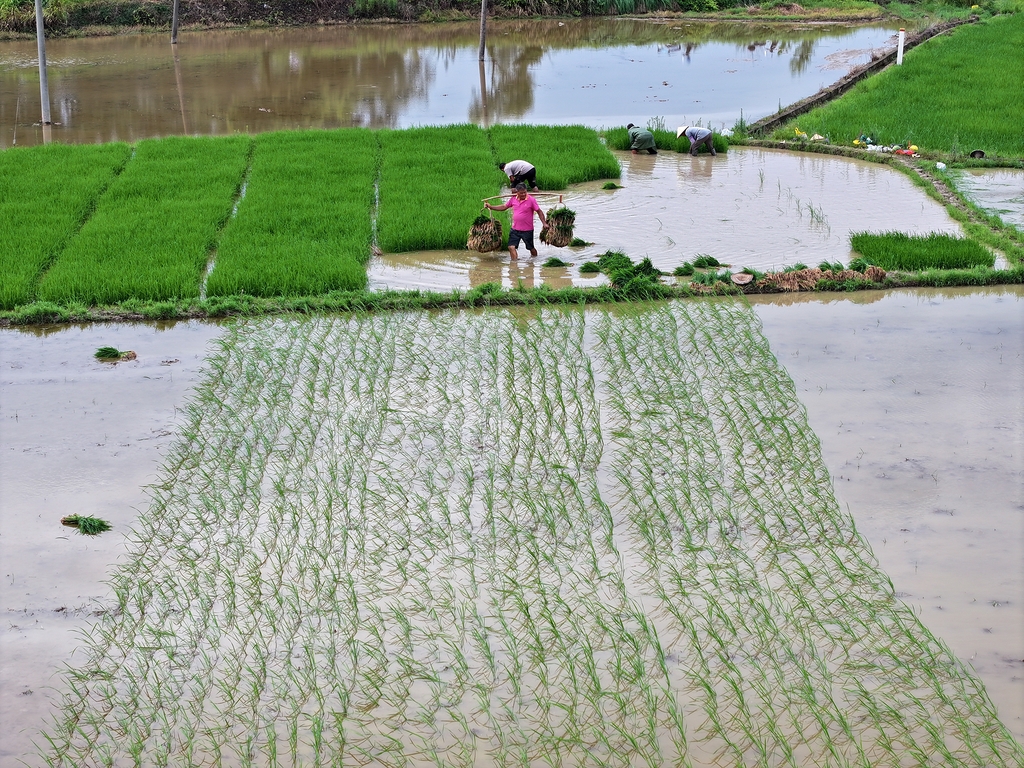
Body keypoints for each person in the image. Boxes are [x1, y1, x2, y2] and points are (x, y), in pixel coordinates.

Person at [485, 183, 547, 260]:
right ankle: (514, 264)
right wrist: (491, 207)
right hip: (515, 229)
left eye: (525, 192)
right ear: (517, 192)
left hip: (527, 230)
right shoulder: (513, 199)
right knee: (511, 247)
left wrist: (544, 223)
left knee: (531, 248)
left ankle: (534, 261)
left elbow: (539, 212)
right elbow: (504, 207)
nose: (524, 194)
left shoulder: (531, 200)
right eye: (521, 193)